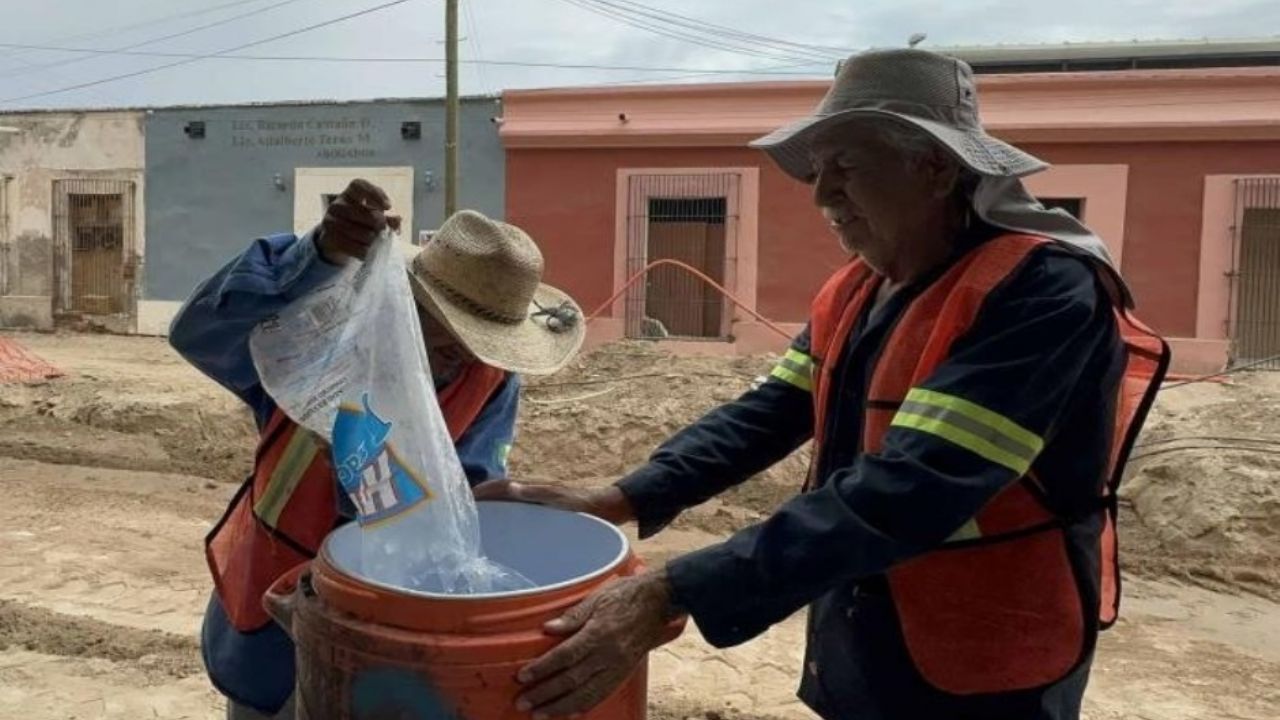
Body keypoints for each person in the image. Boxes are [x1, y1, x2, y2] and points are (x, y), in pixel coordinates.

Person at [476, 48, 1169, 720]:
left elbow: (918, 487)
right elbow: (770, 412)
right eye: (816, 170)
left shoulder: (1043, 291)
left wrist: (674, 589)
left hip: (987, 651)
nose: (820, 193)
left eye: (846, 167)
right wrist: (620, 497)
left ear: (932, 167)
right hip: (868, 633)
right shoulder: (861, 288)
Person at [169, 179, 584, 719]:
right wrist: (313, 257)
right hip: (272, 608)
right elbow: (200, 332)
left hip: (390, 634)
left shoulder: (490, 382)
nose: (457, 361)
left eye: (475, 349)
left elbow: (464, 500)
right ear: (405, 306)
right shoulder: (314, 348)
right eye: (441, 343)